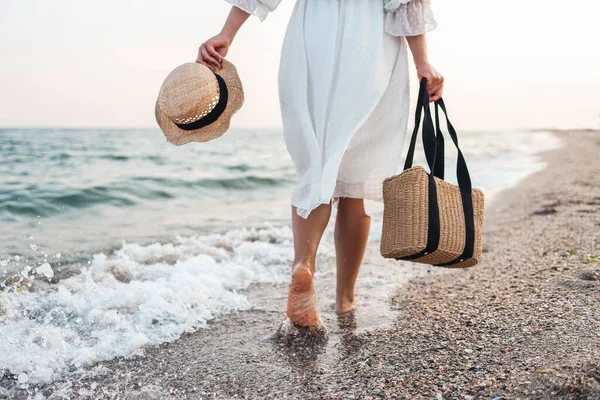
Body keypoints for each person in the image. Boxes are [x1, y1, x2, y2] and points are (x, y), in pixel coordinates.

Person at [196, 0, 444, 333]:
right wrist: (423, 61)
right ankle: (345, 300)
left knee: (316, 168)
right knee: (356, 183)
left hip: (312, 40)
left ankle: (303, 264)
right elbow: (405, 4)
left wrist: (227, 33)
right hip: (369, 45)